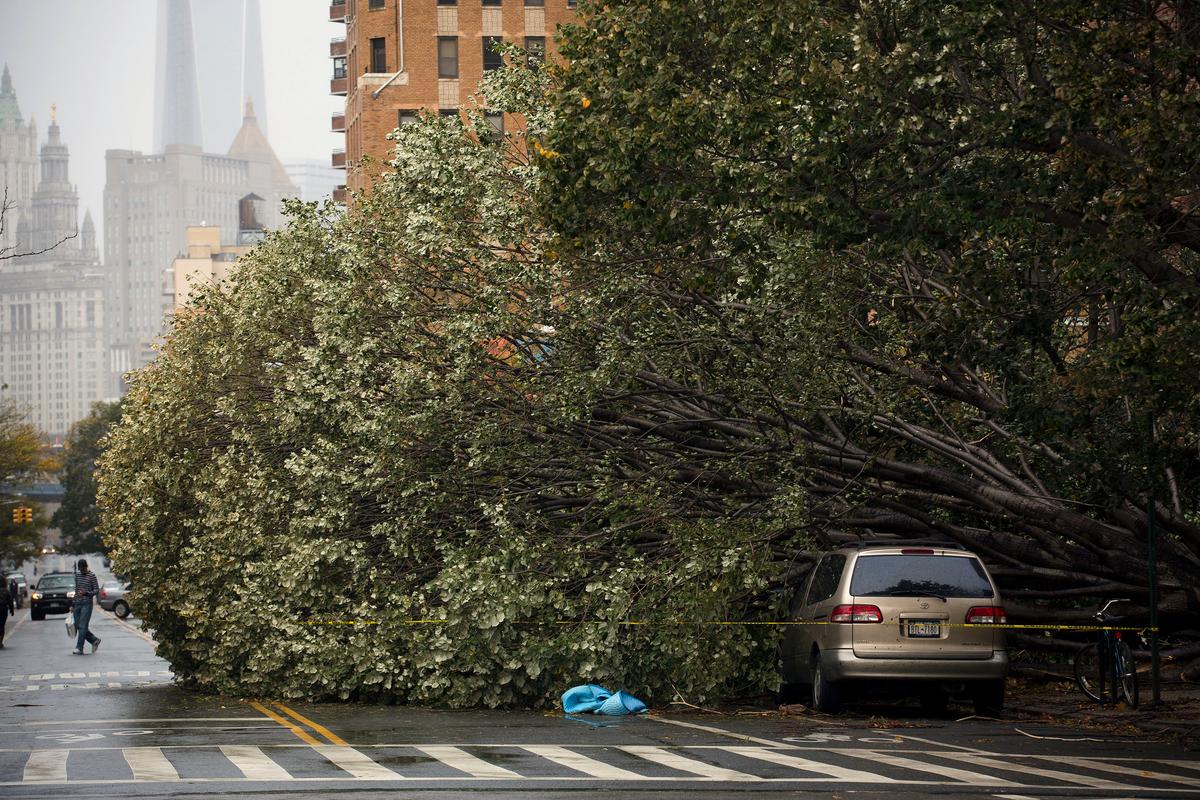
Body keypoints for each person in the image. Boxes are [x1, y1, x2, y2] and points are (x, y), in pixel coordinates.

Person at [71, 558, 101, 655]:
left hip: (87, 604)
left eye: (83, 569)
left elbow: (96, 590)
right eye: (80, 569)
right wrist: (73, 603)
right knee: (77, 625)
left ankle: (79, 648)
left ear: (86, 567)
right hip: (77, 603)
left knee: (83, 626)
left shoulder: (91, 576)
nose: (81, 571)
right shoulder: (78, 575)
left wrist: (87, 593)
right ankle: (94, 640)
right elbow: (76, 589)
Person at [0, 579, 12, 648]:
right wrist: (11, 610)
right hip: (3, 609)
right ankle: (0, 642)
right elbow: (10, 601)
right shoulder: (6, 591)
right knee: (2, 625)